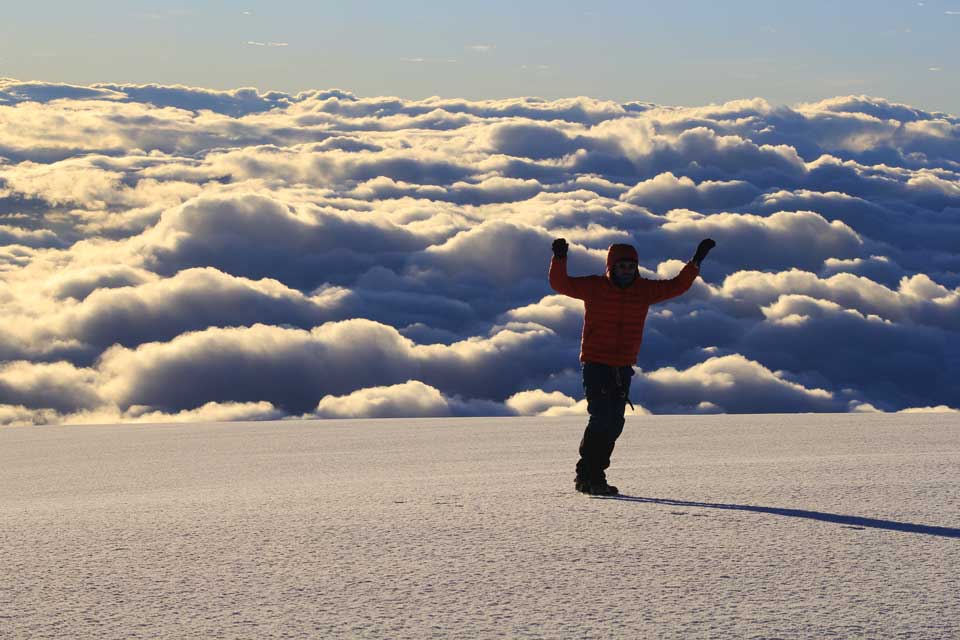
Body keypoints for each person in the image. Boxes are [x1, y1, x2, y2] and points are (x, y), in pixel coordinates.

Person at [549, 237, 715, 496]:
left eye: (630, 266)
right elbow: (560, 284)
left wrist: (695, 263)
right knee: (602, 417)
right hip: (596, 363)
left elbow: (676, 286)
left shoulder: (643, 290)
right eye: (622, 266)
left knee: (615, 422)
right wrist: (560, 258)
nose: (626, 270)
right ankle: (586, 475)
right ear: (611, 267)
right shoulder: (595, 287)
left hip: (623, 366)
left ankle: (597, 476)